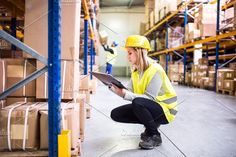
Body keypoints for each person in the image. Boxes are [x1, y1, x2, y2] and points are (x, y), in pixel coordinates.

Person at [109, 35, 178, 150]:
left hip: (166, 110)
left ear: (139, 52)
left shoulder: (155, 69)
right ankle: (151, 124)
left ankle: (155, 135)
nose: (128, 57)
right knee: (115, 114)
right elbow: (129, 91)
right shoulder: (136, 71)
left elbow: (149, 98)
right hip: (150, 106)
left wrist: (125, 94)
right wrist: (116, 90)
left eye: (130, 53)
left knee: (138, 103)